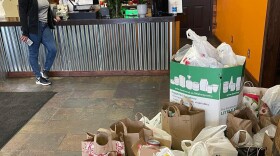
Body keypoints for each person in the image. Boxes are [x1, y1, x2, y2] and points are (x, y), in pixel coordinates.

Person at [18, 0, 61, 85]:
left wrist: (53, 16)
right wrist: (25, 32)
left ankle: (45, 71)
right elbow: (22, 14)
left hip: (45, 26)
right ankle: (38, 77)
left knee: (53, 49)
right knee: (33, 53)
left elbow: (46, 9)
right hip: (33, 28)